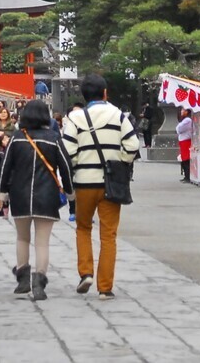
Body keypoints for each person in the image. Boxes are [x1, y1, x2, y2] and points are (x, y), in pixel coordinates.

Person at [61, 73, 141, 300]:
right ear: (105, 93)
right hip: (111, 185)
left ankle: (85, 272)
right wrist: (119, 160)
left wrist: (78, 166)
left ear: (84, 96)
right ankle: (105, 287)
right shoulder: (118, 115)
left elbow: (68, 152)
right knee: (108, 235)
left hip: (84, 183)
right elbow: (132, 145)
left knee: (83, 228)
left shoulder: (75, 118)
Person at [0, 99, 73, 301]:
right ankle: (39, 282)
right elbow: (65, 167)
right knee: (42, 242)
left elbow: (5, 167)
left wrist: (0, 193)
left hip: (20, 195)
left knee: (22, 238)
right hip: (47, 196)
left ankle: (22, 278)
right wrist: (70, 192)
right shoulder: (54, 138)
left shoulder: (16, 138)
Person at [176, 108, 194, 183]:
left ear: (187, 112)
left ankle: (188, 176)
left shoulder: (187, 120)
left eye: (183, 110)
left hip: (186, 141)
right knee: (184, 159)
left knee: (186, 159)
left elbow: (179, 129)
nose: (181, 112)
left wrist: (178, 128)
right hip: (183, 141)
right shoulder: (185, 120)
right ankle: (186, 175)